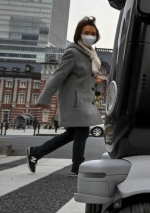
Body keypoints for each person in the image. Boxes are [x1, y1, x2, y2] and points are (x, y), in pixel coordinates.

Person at [26, 16, 105, 175]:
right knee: (82, 132)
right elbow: (57, 76)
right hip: (74, 101)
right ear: (79, 34)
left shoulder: (90, 54)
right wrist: (44, 98)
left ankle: (36, 152)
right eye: (86, 32)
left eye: (93, 33)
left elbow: (80, 75)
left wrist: (93, 78)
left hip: (83, 100)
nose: (90, 35)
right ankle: (77, 167)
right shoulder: (73, 52)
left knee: (73, 133)